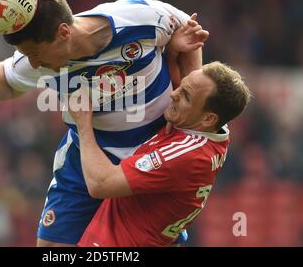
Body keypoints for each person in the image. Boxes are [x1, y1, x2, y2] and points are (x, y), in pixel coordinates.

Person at [0, 0, 209, 246]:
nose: (33, 64)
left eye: (35, 54)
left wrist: (189, 113)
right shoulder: (38, 59)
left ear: (64, 33)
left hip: (152, 157)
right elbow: (6, 83)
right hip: (86, 155)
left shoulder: (138, 18)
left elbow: (189, 34)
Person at [67, 61, 251, 247]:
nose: (173, 94)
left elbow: (100, 184)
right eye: (181, 87)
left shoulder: (185, 155)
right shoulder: (214, 129)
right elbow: (195, 84)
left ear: (208, 119)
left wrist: (83, 125)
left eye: (185, 96)